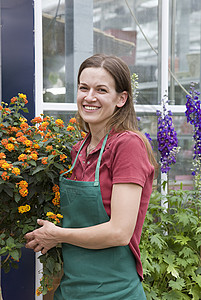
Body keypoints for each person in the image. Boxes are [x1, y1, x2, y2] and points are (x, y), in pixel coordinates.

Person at [25, 54, 157, 299]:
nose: (89, 97)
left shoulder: (128, 145)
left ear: (121, 99)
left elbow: (120, 232)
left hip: (115, 291)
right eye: (83, 88)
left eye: (101, 90)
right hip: (72, 290)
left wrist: (58, 235)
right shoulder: (79, 150)